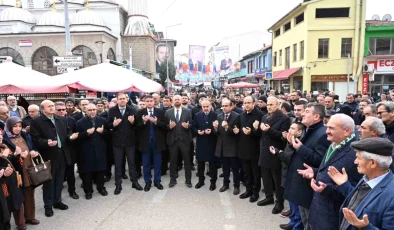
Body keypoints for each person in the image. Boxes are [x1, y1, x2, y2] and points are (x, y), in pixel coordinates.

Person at [299, 114, 362, 230]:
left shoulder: (355, 154)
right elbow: (332, 171)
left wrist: (327, 189)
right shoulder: (335, 143)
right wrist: (315, 172)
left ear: (347, 131)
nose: (327, 131)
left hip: (333, 219)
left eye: (331, 128)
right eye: (327, 127)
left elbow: (356, 192)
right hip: (318, 213)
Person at [327, 137, 394, 230]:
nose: (355, 161)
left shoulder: (391, 195)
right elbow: (362, 202)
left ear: (372, 163)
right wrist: (344, 184)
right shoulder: (367, 178)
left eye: (358, 158)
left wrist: (364, 227)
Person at [30, 100, 79, 217]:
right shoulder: (37, 121)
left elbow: (67, 132)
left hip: (62, 153)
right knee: (49, 181)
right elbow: (35, 139)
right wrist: (47, 143)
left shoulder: (60, 119)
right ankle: (48, 205)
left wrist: (71, 136)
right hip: (48, 155)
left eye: (53, 105)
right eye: (49, 106)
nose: (52, 108)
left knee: (59, 179)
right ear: (43, 109)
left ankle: (57, 201)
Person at [284, 103, 330, 229]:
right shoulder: (310, 130)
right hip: (301, 183)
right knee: (304, 219)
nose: (302, 114)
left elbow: (321, 161)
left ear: (316, 116)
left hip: (309, 185)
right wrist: (293, 145)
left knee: (309, 222)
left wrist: (300, 148)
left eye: (307, 111)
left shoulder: (322, 134)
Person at [3, 117, 41, 228]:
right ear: (9, 126)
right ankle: (20, 222)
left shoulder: (24, 135)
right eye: (15, 126)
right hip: (16, 171)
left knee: (29, 193)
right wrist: (17, 155)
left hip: (28, 168)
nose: (18, 128)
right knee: (18, 197)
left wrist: (35, 152)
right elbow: (6, 159)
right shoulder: (5, 140)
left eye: (20, 126)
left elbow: (33, 146)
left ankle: (30, 217)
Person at [258, 97, 291, 214]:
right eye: (268, 104)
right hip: (264, 150)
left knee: (277, 179)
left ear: (278, 105)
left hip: (275, 151)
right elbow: (261, 134)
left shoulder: (284, 118)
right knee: (265, 175)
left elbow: (283, 136)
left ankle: (279, 202)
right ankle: (268, 197)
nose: (269, 106)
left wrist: (269, 130)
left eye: (271, 104)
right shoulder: (264, 116)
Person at [107, 93, 143, 195]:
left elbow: (138, 125)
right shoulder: (112, 110)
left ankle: (134, 182)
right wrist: (113, 124)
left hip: (130, 141)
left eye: (124, 98)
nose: (122, 100)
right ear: (117, 100)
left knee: (131, 163)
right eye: (120, 99)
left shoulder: (132, 110)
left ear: (127, 100)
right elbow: (107, 124)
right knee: (118, 164)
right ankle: (118, 184)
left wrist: (133, 122)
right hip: (117, 142)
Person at [76, 104, 108, 200]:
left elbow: (109, 134)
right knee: (87, 172)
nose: (92, 111)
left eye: (94, 109)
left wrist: (103, 132)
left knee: (100, 170)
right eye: (90, 110)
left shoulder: (102, 120)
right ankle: (88, 191)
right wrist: (86, 133)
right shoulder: (80, 122)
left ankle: (101, 188)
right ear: (85, 111)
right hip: (86, 151)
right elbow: (77, 137)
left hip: (100, 149)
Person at [136, 96, 167, 192]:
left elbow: (165, 126)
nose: (149, 103)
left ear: (154, 102)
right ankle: (147, 182)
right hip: (145, 143)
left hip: (157, 142)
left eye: (151, 101)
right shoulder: (140, 112)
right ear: (145, 102)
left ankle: (157, 181)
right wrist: (144, 122)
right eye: (147, 101)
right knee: (146, 164)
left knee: (157, 163)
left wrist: (156, 122)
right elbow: (136, 127)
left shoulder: (160, 112)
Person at [237, 96, 264, 202]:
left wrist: (252, 131)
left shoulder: (260, 115)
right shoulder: (242, 115)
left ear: (254, 103)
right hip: (243, 147)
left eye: (248, 102)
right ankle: (248, 190)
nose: (246, 104)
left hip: (255, 149)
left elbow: (262, 133)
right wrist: (236, 129)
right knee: (246, 172)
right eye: (245, 103)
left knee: (255, 173)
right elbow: (238, 127)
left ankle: (255, 192)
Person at [213, 99, 241, 195]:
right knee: (225, 167)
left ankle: (236, 185)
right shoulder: (219, 116)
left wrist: (226, 127)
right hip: (222, 146)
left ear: (231, 106)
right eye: (223, 106)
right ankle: (226, 184)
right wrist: (216, 128)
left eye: (226, 106)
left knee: (235, 168)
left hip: (232, 146)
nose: (224, 107)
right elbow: (218, 133)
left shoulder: (237, 117)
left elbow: (236, 133)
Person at [165, 95, 193, 188]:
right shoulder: (168, 112)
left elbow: (192, 124)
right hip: (173, 141)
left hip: (184, 140)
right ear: (172, 101)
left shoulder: (188, 111)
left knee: (187, 161)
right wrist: (169, 126)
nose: (177, 100)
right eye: (175, 99)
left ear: (181, 100)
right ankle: (172, 180)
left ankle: (188, 180)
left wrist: (188, 126)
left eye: (178, 99)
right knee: (173, 161)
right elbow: (164, 126)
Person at [54, 102, 79, 200]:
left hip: (69, 150)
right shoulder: (52, 121)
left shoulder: (71, 120)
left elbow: (74, 132)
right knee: (58, 174)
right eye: (58, 110)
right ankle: (57, 195)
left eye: (63, 110)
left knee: (70, 173)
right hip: (56, 152)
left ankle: (72, 191)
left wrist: (73, 136)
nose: (61, 112)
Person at [192, 99, 218, 190]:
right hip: (201, 142)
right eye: (204, 107)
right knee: (200, 163)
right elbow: (193, 127)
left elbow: (218, 131)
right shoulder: (197, 115)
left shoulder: (215, 115)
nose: (206, 108)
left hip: (212, 142)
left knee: (212, 164)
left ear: (210, 106)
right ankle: (201, 181)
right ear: (201, 107)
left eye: (207, 106)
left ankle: (213, 182)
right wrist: (198, 131)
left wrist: (213, 130)